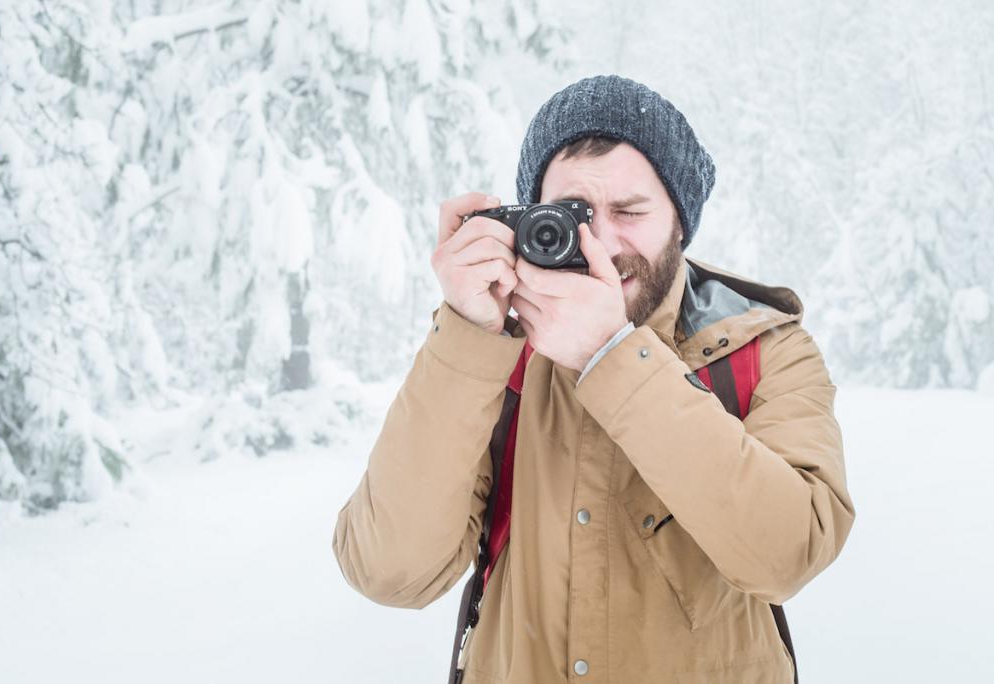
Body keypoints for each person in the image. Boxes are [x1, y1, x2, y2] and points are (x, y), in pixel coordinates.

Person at [332, 74, 855, 683]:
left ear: (680, 225)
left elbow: (788, 551)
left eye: (629, 212)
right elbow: (389, 571)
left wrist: (614, 357)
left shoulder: (763, 348)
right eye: (571, 215)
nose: (601, 241)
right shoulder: (496, 357)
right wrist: (469, 336)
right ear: (529, 221)